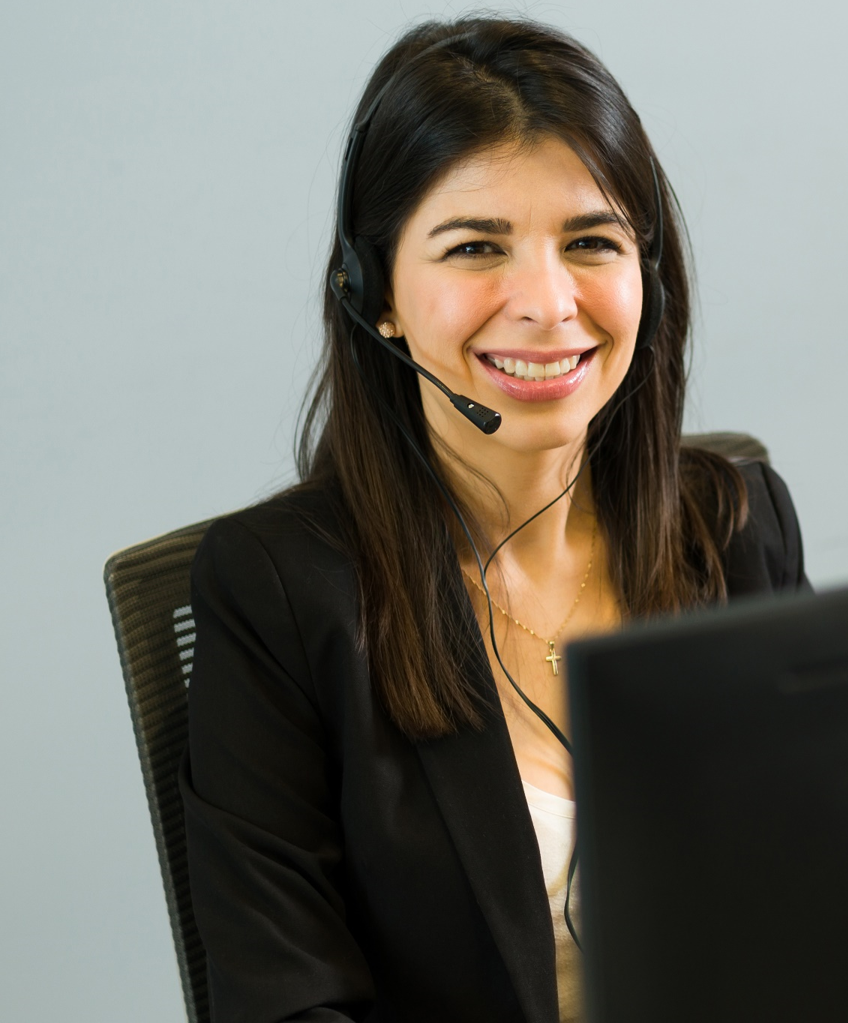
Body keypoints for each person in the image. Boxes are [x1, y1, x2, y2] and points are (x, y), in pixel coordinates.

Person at [181, 18, 806, 1023]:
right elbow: (286, 1004)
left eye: (591, 243)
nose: (548, 304)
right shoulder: (282, 593)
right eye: (476, 247)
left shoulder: (733, 525)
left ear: (647, 276)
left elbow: (833, 879)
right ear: (375, 292)